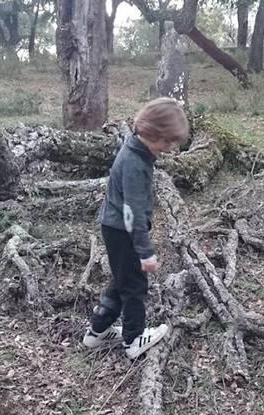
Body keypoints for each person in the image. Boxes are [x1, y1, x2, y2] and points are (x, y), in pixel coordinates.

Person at [82, 97, 189, 359]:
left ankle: (97, 333)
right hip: (123, 230)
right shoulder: (135, 164)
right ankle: (134, 339)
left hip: (114, 226)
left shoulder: (136, 149)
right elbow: (133, 213)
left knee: (121, 281)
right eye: (166, 142)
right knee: (135, 286)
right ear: (153, 134)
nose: (168, 149)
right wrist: (144, 251)